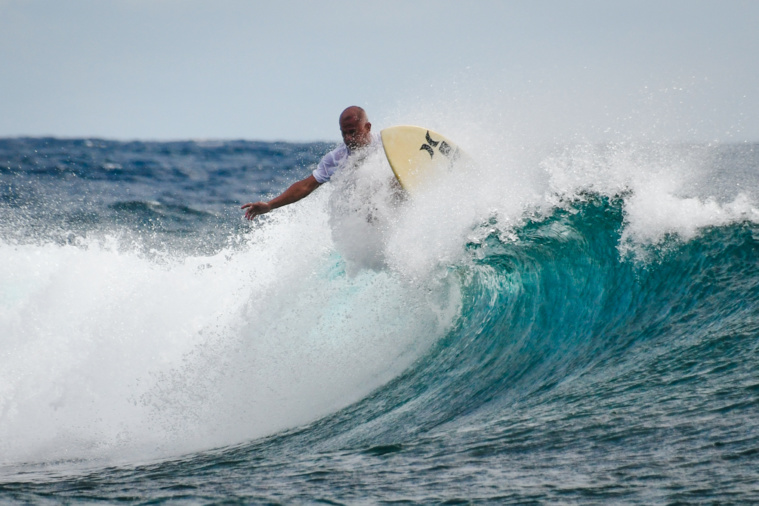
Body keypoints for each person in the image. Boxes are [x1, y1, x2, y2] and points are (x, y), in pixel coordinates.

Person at [242, 106, 382, 220]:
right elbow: (305, 186)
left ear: (367, 127)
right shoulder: (336, 159)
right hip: (367, 213)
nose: (348, 138)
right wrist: (270, 205)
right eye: (344, 133)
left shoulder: (386, 142)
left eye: (352, 132)